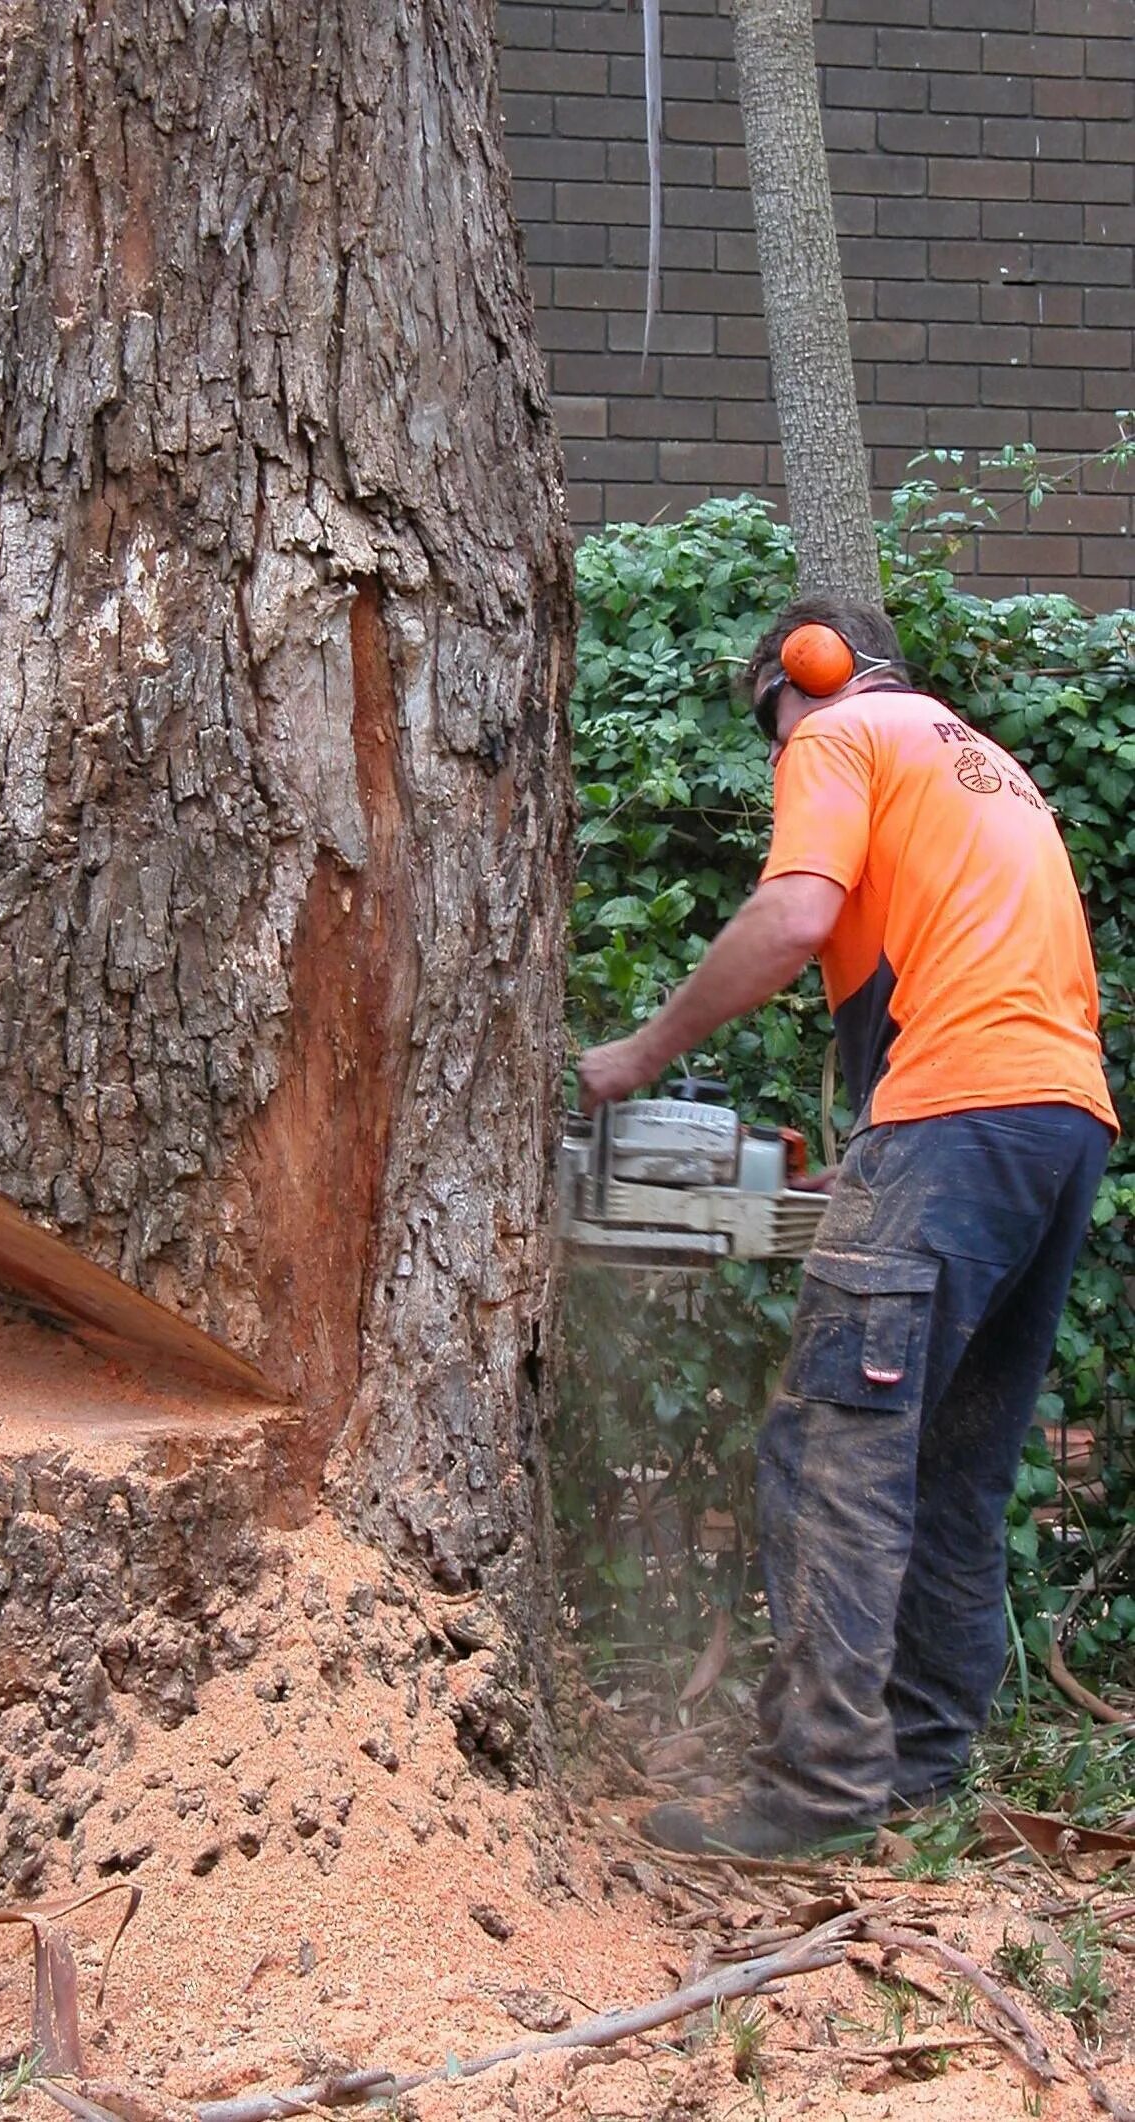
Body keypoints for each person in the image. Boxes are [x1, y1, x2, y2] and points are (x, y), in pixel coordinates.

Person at [578, 596, 1118, 1857]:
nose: (777, 751)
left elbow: (794, 917)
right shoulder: (980, 759)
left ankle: (815, 1790)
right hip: (1055, 1126)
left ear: (802, 673)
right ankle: (919, 1767)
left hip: (955, 1112)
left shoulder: (838, 735)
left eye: (770, 719)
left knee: (829, 1448)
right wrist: (879, 1178)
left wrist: (639, 1054)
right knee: (954, 1463)